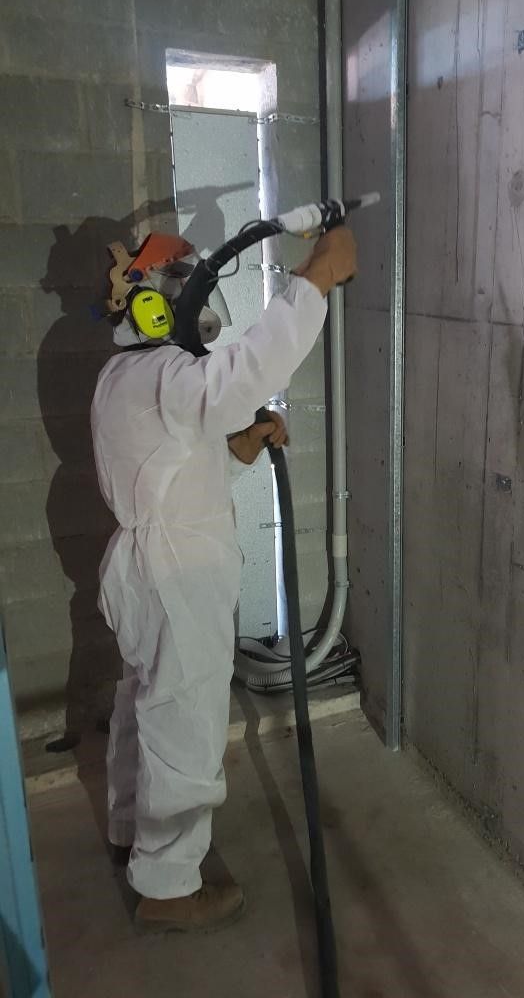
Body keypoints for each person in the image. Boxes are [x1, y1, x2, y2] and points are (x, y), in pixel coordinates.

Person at [91, 225, 357, 933]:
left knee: (143, 704)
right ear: (151, 306)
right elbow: (237, 375)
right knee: (185, 722)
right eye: (179, 284)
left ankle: (131, 832)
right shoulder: (167, 377)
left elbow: (179, 452)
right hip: (179, 575)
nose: (192, 298)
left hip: (145, 567)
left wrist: (237, 440)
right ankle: (170, 886)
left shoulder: (129, 378)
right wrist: (312, 284)